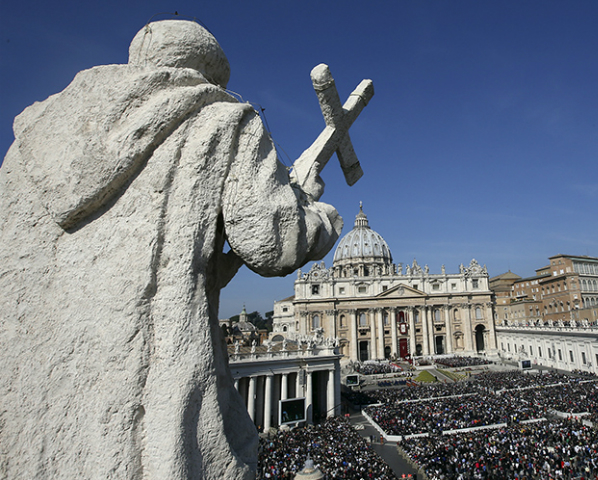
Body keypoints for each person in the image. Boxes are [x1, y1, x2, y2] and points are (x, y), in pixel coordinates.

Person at [0, 20, 347, 480]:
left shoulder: (27, 148)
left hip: (31, 387)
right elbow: (273, 243)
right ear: (209, 73)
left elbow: (175, 256)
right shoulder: (222, 117)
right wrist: (315, 212)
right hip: (144, 374)